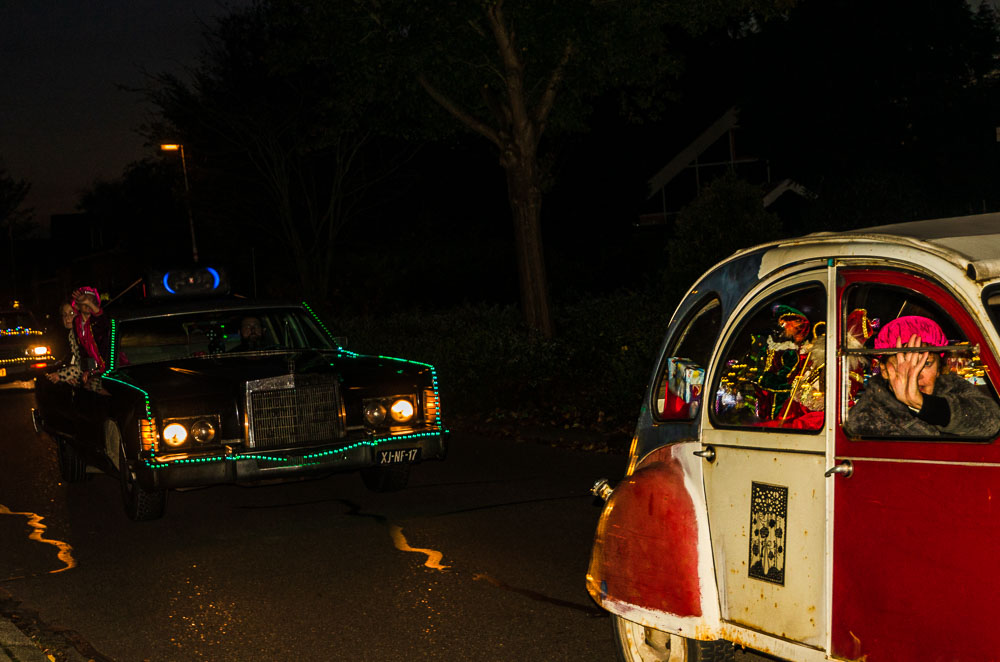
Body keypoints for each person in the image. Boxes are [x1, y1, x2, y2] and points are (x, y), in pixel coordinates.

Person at [846, 315, 1000, 437]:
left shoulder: (953, 388)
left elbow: (992, 422)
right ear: (885, 371)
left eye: (926, 363)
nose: (916, 374)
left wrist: (924, 404)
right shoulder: (866, 418)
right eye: (904, 362)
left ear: (938, 369)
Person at [71, 286, 110, 390]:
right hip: (97, 370)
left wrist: (88, 302)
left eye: (92, 301)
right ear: (77, 305)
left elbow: (103, 320)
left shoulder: (97, 320)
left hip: (111, 367)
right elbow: (83, 350)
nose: (88, 304)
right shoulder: (77, 322)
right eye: (84, 301)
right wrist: (88, 370)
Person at [45, 301, 83, 385]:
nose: (67, 318)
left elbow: (84, 366)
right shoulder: (71, 334)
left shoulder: (83, 333)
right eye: (64, 315)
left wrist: (62, 375)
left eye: (71, 313)